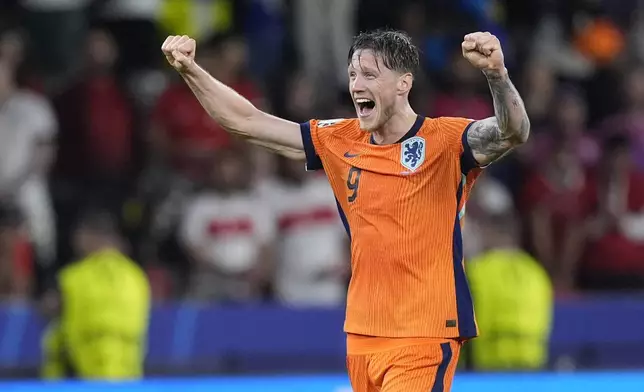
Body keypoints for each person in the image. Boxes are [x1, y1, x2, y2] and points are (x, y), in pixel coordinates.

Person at [161, 29, 529, 392]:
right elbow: (247, 122)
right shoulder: (337, 139)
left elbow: (512, 132)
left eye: (370, 74)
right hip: (362, 333)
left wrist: (497, 74)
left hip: (424, 332)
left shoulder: (447, 140)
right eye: (353, 74)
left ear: (403, 84)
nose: (356, 85)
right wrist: (191, 70)